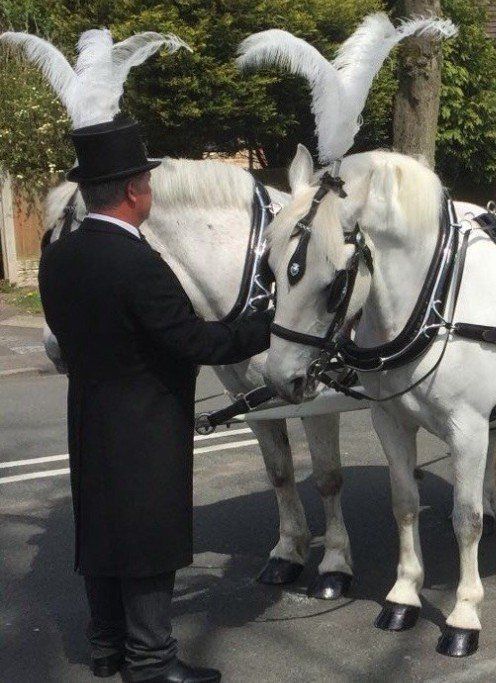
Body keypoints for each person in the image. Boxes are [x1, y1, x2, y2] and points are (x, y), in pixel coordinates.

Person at [38, 118, 274, 683]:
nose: (150, 191)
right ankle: (150, 660)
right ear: (133, 192)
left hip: (89, 415)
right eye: (147, 182)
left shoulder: (59, 259)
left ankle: (106, 646)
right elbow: (193, 341)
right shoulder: (140, 265)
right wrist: (266, 326)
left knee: (99, 529)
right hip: (145, 423)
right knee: (147, 537)